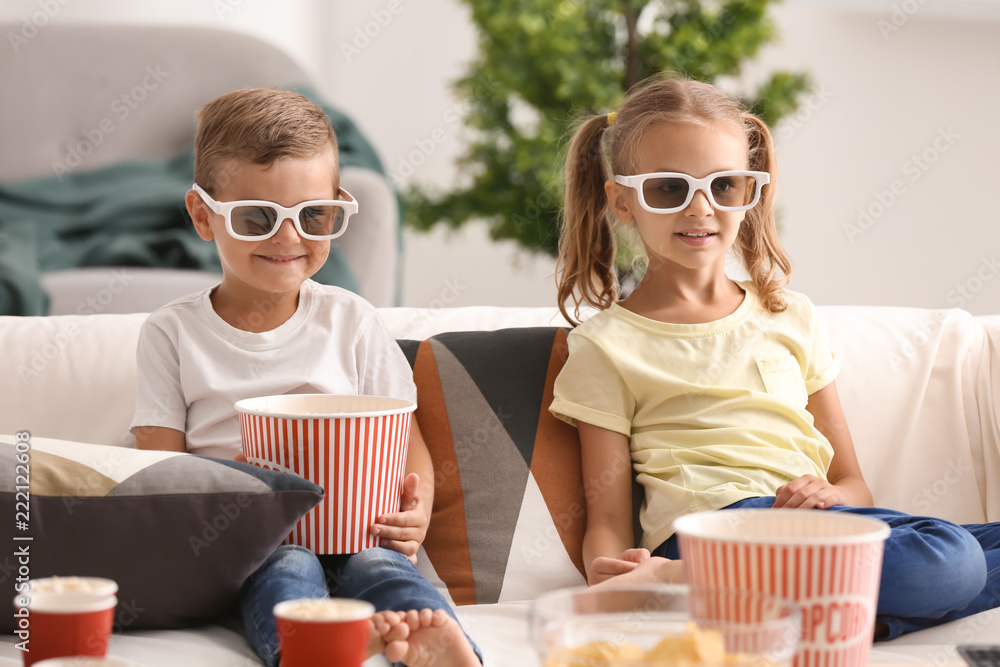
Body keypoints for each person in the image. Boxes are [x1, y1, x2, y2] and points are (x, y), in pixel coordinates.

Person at [548, 72, 1000, 640]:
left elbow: (853, 484)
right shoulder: (606, 345)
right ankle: (697, 582)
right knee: (950, 559)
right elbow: (609, 517)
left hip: (816, 526)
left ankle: (804, 612)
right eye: (669, 188)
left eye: (725, 186)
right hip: (709, 532)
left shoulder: (791, 316)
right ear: (623, 201)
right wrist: (611, 575)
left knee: (968, 554)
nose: (701, 208)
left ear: (750, 192)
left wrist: (829, 495)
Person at [131, 88, 480, 667]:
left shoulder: (350, 319)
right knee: (286, 566)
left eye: (312, 215)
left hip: (359, 529)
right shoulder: (171, 334)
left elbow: (404, 440)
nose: (288, 238)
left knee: (384, 569)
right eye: (257, 217)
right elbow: (160, 472)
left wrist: (414, 512)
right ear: (202, 215)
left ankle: (438, 643)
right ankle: (310, 648)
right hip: (251, 543)